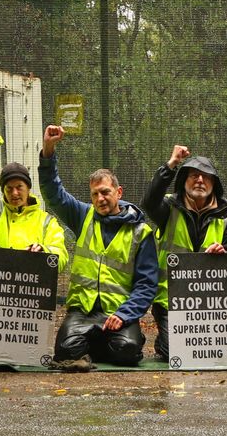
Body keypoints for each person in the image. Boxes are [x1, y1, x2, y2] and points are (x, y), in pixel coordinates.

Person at [39, 124, 157, 367]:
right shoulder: (83, 216)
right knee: (64, 351)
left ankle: (107, 340)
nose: (100, 199)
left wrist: (125, 315)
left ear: (118, 192)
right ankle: (94, 341)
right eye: (95, 195)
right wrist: (48, 150)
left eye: (105, 192)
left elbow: (146, 285)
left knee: (127, 351)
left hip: (119, 312)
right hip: (82, 311)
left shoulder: (140, 232)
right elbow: (54, 193)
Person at [139, 144, 227, 361]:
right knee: (174, 352)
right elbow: (148, 202)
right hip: (170, 300)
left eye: (206, 177)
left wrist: (224, 254)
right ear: (183, 181)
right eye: (194, 175)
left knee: (212, 353)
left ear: (214, 183)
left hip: (210, 300)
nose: (200, 181)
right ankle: (164, 339)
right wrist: (172, 164)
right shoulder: (168, 207)